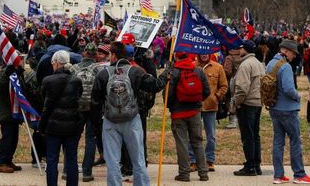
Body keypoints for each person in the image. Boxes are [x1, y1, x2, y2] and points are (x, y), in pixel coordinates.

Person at [90, 41, 166, 186]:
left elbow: (95, 103)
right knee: (138, 160)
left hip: (110, 121)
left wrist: (96, 125)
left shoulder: (103, 74)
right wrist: (167, 73)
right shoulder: (135, 71)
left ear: (112, 55)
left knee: (112, 162)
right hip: (132, 119)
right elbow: (155, 86)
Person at [268, 39, 310, 184]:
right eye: (293, 53)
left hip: (274, 107)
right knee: (295, 141)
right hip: (288, 109)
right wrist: (299, 96)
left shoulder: (271, 64)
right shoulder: (285, 67)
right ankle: (299, 174)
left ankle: (278, 175)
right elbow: (289, 89)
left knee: (278, 141)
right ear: (286, 51)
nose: (294, 56)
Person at [40, 50, 84, 186]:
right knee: (71, 159)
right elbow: (79, 97)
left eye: (53, 63)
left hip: (53, 125)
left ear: (58, 63)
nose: (52, 65)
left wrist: (42, 124)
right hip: (72, 125)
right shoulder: (76, 81)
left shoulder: (48, 80)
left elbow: (44, 101)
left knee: (52, 159)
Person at [165, 52, 210, 182]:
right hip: (195, 112)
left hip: (178, 113)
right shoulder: (198, 70)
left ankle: (184, 173)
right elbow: (207, 90)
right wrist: (197, 102)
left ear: (175, 57)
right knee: (198, 142)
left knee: (182, 143)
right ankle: (203, 173)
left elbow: (169, 93)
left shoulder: (174, 72)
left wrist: (170, 106)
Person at [70, 43, 103, 182]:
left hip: (76, 107)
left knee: (72, 139)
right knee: (91, 140)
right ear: (95, 55)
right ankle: (87, 173)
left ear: (84, 53)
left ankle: (68, 170)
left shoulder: (74, 68)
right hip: (92, 108)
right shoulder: (98, 69)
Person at [232, 39, 265, 176]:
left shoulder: (245, 65)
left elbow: (242, 88)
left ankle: (250, 166)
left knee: (247, 136)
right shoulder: (259, 64)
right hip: (257, 103)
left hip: (247, 103)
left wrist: (236, 102)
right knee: (255, 135)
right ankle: (256, 164)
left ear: (245, 50)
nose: (239, 50)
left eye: (241, 48)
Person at [190, 52, 227, 173]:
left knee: (211, 135)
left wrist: (216, 97)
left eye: (207, 52)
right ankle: (193, 161)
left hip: (211, 107)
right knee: (194, 134)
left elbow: (224, 86)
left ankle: (210, 160)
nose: (204, 55)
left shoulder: (218, 67)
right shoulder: (192, 66)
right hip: (195, 106)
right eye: (202, 52)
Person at [0, 55, 24, 173]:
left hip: (14, 112)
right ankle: (1, 162)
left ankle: (8, 160)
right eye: (19, 59)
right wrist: (7, 74)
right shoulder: (4, 73)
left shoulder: (17, 73)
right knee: (7, 138)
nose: (21, 61)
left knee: (14, 139)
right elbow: (0, 86)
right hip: (6, 112)